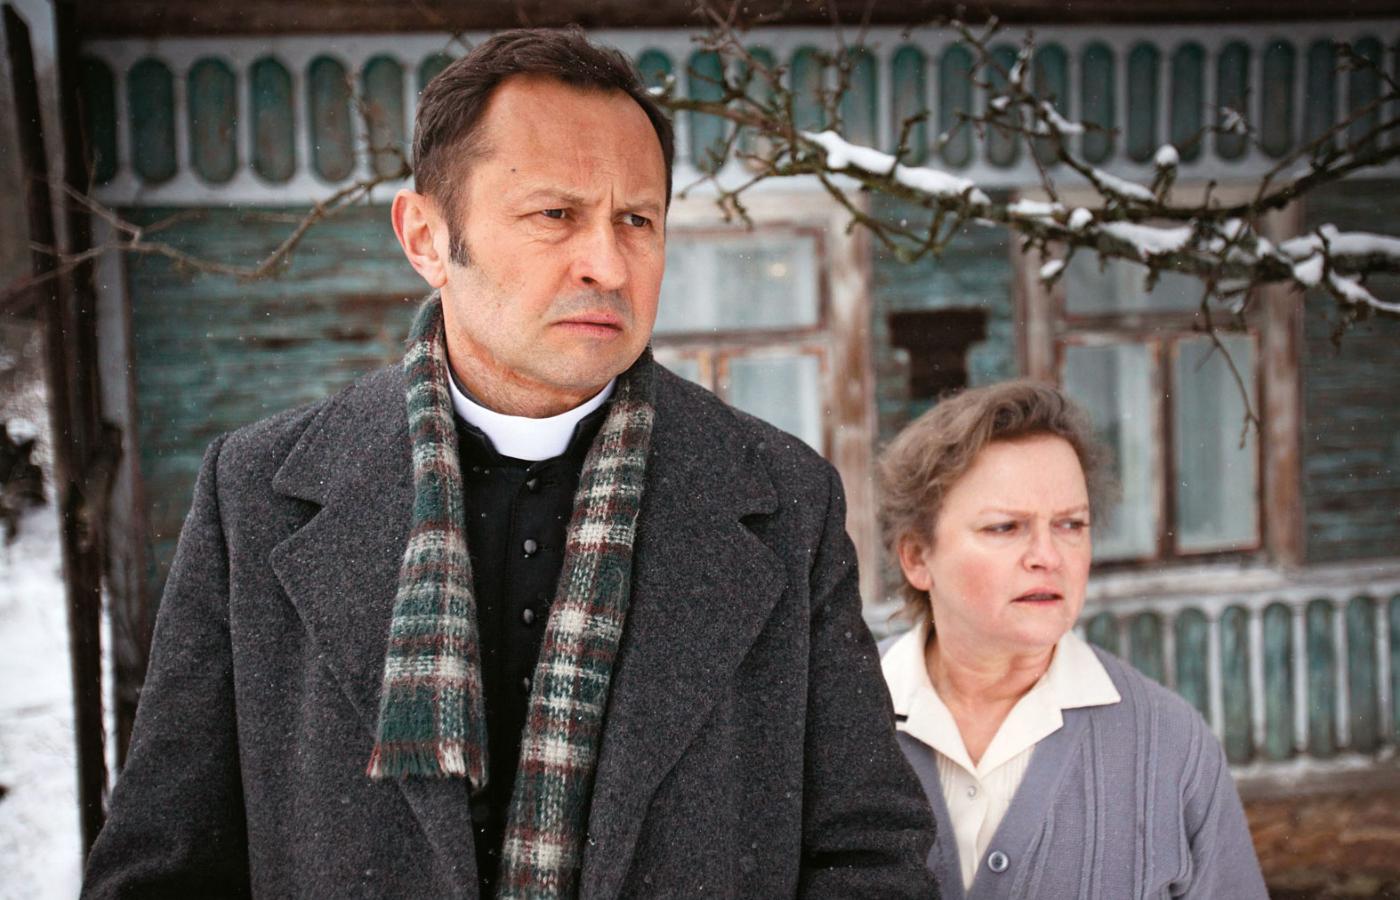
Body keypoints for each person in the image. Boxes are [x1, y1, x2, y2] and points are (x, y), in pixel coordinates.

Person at [81, 27, 937, 899]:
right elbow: (164, 870)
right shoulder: (257, 494)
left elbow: (868, 856)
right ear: (426, 237)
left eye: (636, 220)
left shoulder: (783, 501)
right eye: (555, 215)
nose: (607, 264)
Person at [877, 380, 1267, 900]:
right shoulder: (830, 721)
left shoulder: (1170, 744)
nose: (1048, 556)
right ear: (916, 557)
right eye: (1005, 527)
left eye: (1070, 524)